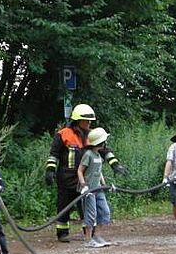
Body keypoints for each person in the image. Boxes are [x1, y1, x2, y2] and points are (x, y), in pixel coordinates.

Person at [44, 103, 126, 242]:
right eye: (86, 120)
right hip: (66, 178)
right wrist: (50, 170)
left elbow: (105, 151)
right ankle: (62, 233)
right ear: (77, 120)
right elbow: (54, 155)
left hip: (86, 178)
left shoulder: (93, 135)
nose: (89, 123)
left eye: (90, 121)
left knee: (86, 206)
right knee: (64, 205)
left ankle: (88, 233)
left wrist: (115, 165)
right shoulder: (63, 134)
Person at [77, 127, 113, 247]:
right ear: (100, 142)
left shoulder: (98, 155)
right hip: (89, 190)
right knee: (91, 214)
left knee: (105, 212)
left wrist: (104, 185)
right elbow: (80, 171)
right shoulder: (88, 154)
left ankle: (97, 236)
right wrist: (84, 185)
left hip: (98, 189)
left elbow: (99, 171)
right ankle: (88, 240)